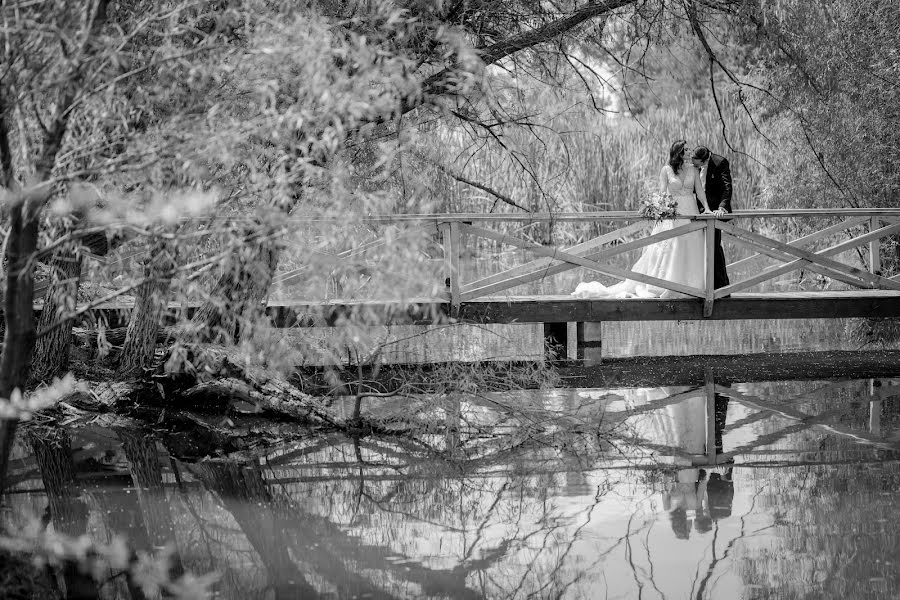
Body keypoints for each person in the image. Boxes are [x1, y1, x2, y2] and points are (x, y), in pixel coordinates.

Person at [572, 139, 714, 299]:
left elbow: (700, 192)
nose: (690, 152)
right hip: (673, 213)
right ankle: (666, 284)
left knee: (690, 245)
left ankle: (693, 286)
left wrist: (707, 209)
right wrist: (661, 207)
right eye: (686, 150)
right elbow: (661, 193)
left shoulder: (693, 170)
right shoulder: (666, 170)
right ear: (679, 152)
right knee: (673, 246)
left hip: (690, 210)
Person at [690, 146, 732, 289]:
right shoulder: (692, 166)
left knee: (713, 248)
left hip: (713, 214)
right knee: (696, 248)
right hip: (695, 211)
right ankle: (699, 286)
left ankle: (721, 287)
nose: (693, 164)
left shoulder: (720, 162)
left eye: (696, 162)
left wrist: (722, 207)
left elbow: (727, 188)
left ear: (704, 159)